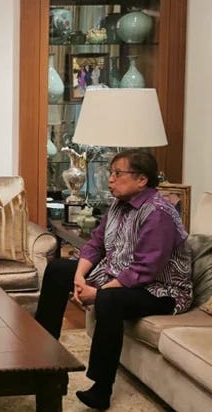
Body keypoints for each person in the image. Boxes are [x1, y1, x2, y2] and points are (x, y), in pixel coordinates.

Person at [34, 149, 192, 410]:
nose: (110, 179)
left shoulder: (158, 213)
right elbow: (95, 244)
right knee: (58, 270)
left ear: (141, 179)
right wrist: (79, 278)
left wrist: (97, 293)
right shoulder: (118, 205)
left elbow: (144, 269)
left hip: (161, 291)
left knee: (108, 300)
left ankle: (101, 388)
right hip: (119, 275)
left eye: (118, 173)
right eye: (111, 173)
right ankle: (42, 355)